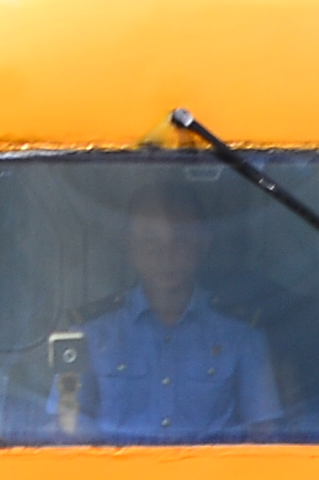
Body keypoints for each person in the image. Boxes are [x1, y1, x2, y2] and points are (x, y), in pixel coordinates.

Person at [69, 182, 279, 435]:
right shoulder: (92, 331)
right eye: (150, 241)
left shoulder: (240, 332)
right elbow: (68, 426)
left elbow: (263, 431)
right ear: (128, 245)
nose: (166, 255)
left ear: (204, 242)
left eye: (181, 240)